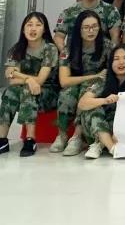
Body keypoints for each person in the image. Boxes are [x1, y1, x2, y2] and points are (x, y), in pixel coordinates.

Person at [0, 12, 59, 158]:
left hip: (49, 92)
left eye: (38, 25)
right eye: (29, 25)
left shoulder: (50, 48)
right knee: (10, 91)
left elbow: (40, 80)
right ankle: (2, 140)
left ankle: (30, 140)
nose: (33, 28)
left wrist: (19, 75)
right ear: (23, 29)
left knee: (27, 90)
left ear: (44, 29)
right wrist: (28, 80)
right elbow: (11, 80)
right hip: (26, 87)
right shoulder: (17, 48)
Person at [76, 44, 125, 159]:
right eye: (116, 59)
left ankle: (100, 143)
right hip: (100, 126)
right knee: (92, 108)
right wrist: (105, 100)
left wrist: (120, 128)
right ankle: (112, 148)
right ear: (111, 63)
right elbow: (82, 103)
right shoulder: (104, 80)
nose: (121, 62)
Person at [52, 10, 110, 156]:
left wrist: (95, 78)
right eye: (86, 27)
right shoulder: (68, 48)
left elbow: (109, 74)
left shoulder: (107, 46)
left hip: (97, 85)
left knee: (87, 90)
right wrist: (93, 75)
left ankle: (77, 137)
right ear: (79, 29)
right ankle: (62, 135)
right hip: (76, 81)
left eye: (94, 26)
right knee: (66, 93)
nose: (91, 31)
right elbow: (64, 81)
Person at [55, 0, 121, 51]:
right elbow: (58, 37)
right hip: (75, 55)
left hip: (101, 56)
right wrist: (65, 53)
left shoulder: (110, 10)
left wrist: (110, 55)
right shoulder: (68, 12)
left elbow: (115, 37)